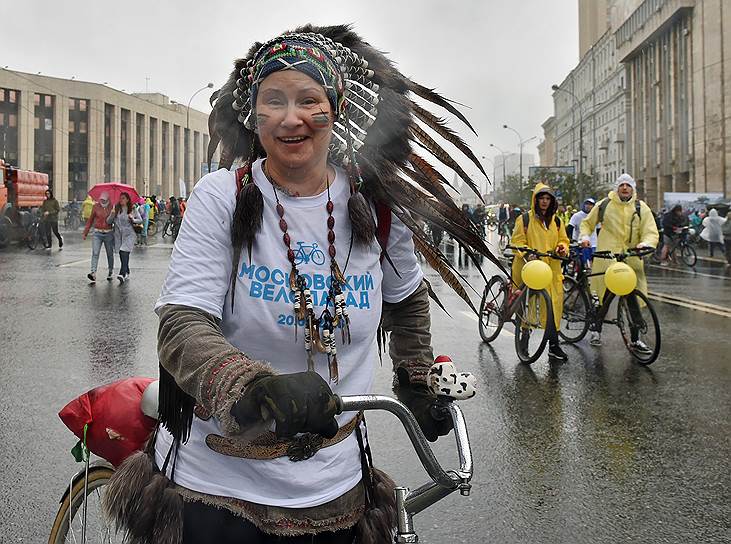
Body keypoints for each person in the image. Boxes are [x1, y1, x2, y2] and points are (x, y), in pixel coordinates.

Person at [104, 25, 496, 544]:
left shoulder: (379, 206)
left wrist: (417, 377)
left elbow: (405, 300)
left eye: (309, 100)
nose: (291, 119)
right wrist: (252, 386)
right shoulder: (221, 196)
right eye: (274, 102)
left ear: (335, 109)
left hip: (338, 487)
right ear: (255, 116)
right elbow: (181, 323)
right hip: (220, 489)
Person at [579, 173, 658, 348]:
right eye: (621, 185)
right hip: (609, 257)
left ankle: (636, 338)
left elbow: (650, 231)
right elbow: (587, 223)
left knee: (632, 297)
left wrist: (645, 243)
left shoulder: (640, 207)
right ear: (617, 188)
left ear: (633, 189)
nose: (624, 188)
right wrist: (584, 237)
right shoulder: (605, 204)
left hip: (631, 257)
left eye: (628, 185)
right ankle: (596, 329)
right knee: (606, 295)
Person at [510, 182, 570, 361]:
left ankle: (554, 345)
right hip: (529, 268)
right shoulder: (525, 219)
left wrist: (561, 248)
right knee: (526, 303)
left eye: (548, 199)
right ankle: (524, 340)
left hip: (551, 270)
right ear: (535, 200)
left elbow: (564, 240)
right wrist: (528, 254)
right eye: (541, 198)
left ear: (552, 202)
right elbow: (517, 242)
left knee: (553, 306)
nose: (544, 202)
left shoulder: (557, 221)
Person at [108, 192, 141, 283]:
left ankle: (122, 273)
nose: (121, 200)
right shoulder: (117, 209)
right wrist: (112, 214)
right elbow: (108, 221)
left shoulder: (132, 209)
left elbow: (140, 220)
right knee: (122, 253)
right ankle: (127, 270)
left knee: (124, 252)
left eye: (123, 198)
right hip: (119, 235)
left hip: (129, 234)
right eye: (120, 198)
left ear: (127, 200)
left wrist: (133, 219)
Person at [82, 192, 115, 283]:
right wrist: (85, 232)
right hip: (97, 233)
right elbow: (90, 220)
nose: (102, 201)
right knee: (95, 253)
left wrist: (113, 214)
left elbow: (115, 221)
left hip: (108, 233)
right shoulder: (96, 206)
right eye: (101, 199)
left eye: (104, 200)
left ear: (108, 199)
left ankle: (111, 271)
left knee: (109, 253)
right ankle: (93, 273)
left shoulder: (112, 207)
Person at [568, 198, 597, 267]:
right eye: (587, 204)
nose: (588, 206)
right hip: (579, 242)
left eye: (590, 204)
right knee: (579, 260)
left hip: (593, 243)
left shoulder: (595, 216)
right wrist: (569, 239)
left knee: (590, 261)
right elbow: (570, 227)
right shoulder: (577, 216)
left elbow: (598, 229)